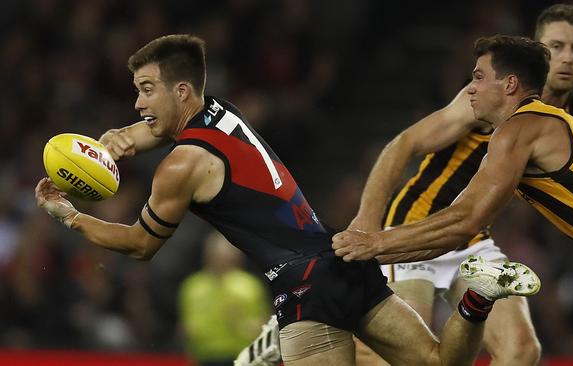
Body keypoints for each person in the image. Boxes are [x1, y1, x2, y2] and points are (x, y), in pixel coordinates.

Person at [34, 34, 540, 366]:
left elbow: (140, 245)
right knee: (438, 363)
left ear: (182, 91)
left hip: (302, 291)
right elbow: (159, 129)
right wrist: (120, 137)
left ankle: (270, 345)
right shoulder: (219, 112)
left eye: (146, 90)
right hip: (337, 261)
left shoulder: (181, 166)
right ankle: (475, 298)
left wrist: (71, 217)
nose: (139, 102)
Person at [331, 33, 573, 364]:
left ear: (510, 84)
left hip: (461, 234)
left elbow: (466, 219)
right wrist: (370, 226)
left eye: (479, 77)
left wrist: (374, 244)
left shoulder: (522, 127)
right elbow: (404, 147)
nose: (471, 86)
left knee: (512, 352)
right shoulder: (542, 123)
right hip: (416, 224)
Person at [178, 232, 270, 366]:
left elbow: (264, 325)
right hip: (204, 357)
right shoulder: (193, 287)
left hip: (241, 356)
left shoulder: (249, 286)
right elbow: (185, 326)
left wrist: (241, 324)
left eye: (224, 257)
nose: (220, 261)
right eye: (216, 256)